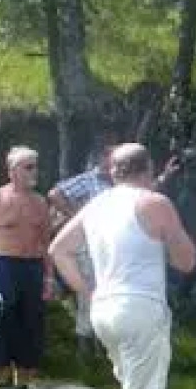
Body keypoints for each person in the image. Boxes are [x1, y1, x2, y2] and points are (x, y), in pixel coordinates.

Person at [49, 144, 196, 389]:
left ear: (113, 171)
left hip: (104, 309)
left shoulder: (95, 206)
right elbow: (187, 261)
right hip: (140, 308)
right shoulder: (155, 203)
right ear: (148, 169)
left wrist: (87, 291)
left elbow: (59, 250)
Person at [0, 147, 55, 389]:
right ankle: (2, 385)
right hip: (4, 267)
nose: (34, 172)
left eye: (36, 166)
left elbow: (46, 244)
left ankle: (23, 388)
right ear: (12, 171)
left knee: (30, 325)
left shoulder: (41, 202)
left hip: (32, 268)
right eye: (28, 167)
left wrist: (49, 278)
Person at [49, 145, 116, 356]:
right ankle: (85, 344)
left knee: (107, 289)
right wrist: (78, 216)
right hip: (87, 243)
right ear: (103, 159)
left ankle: (102, 341)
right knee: (88, 291)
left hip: (110, 244)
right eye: (113, 159)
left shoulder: (117, 183)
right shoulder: (89, 180)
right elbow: (55, 194)